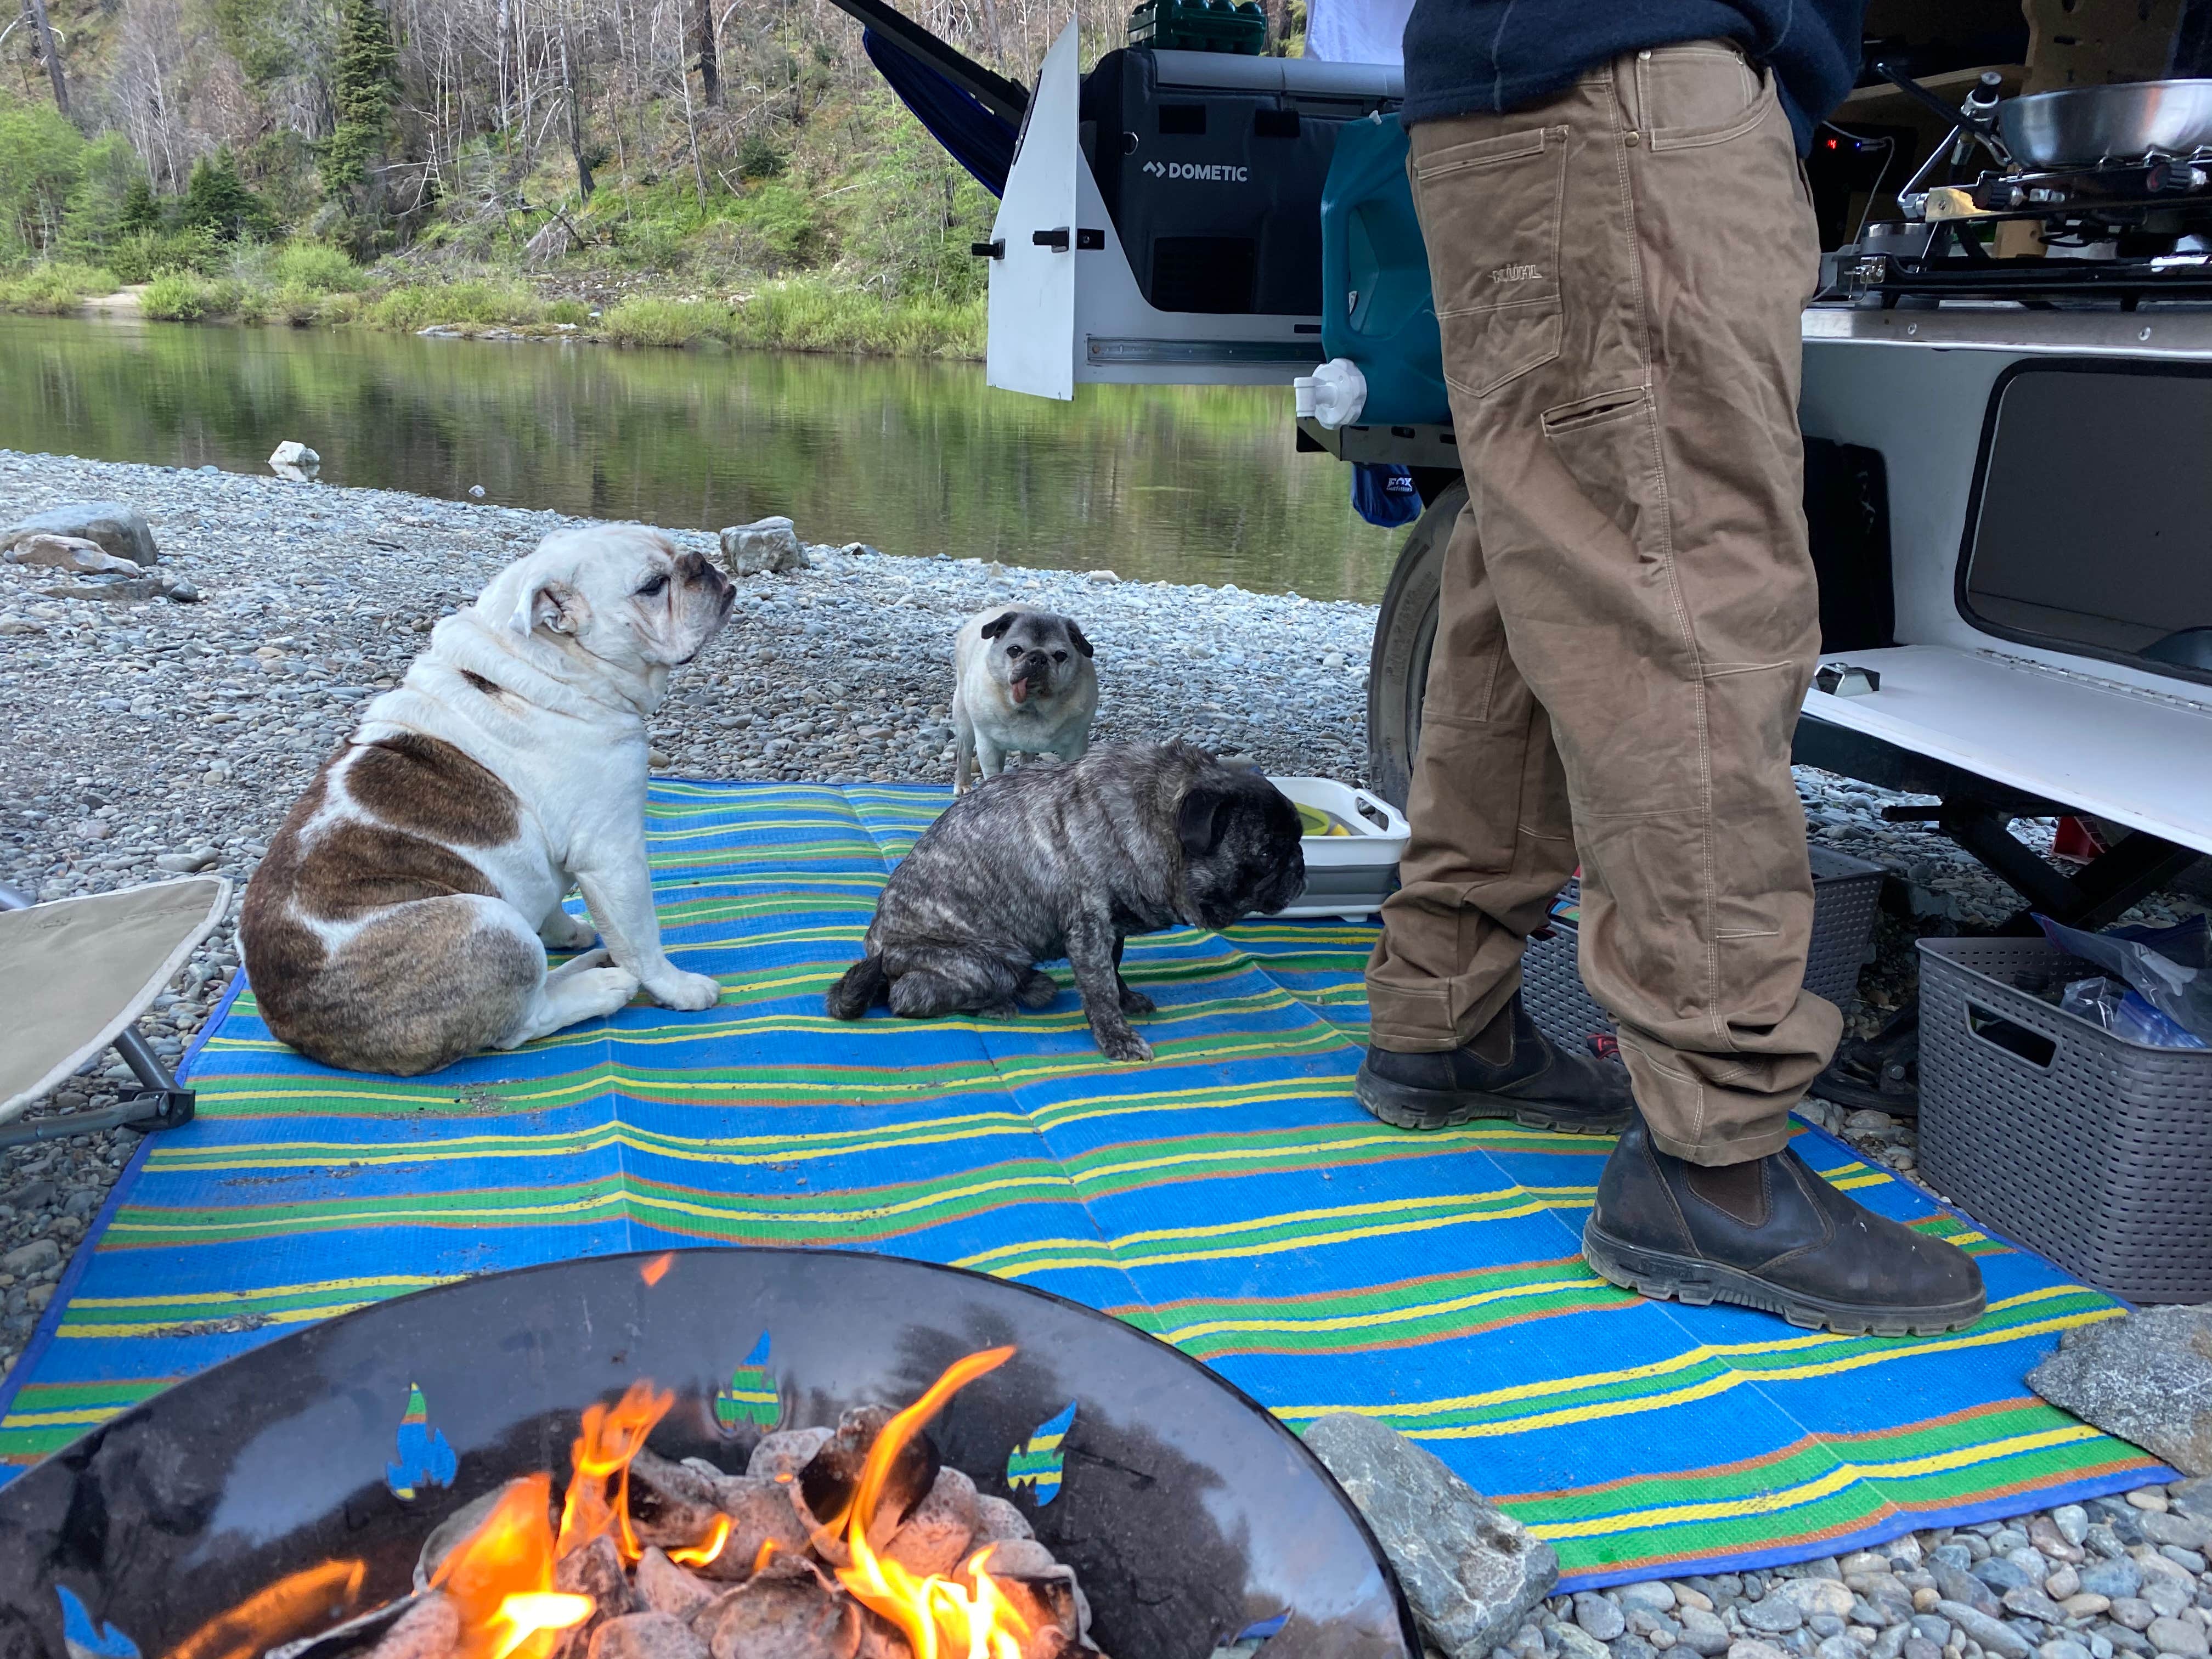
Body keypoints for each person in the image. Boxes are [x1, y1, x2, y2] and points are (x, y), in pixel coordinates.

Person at [1355, 0, 1985, 1335]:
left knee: (1534, 563)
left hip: (1516, 98)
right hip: (1632, 87)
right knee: (1690, 596)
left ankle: (1445, 1016)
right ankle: (1717, 1161)